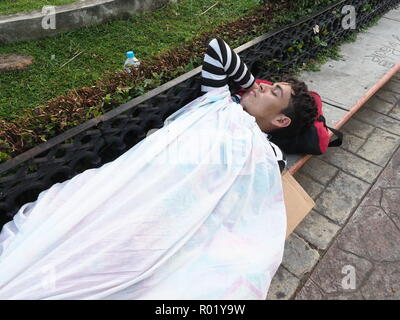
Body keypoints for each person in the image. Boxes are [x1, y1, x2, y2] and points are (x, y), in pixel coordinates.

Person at [0, 38, 316, 300]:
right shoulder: (217, 100)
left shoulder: (265, 152)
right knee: (83, 231)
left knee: (138, 259)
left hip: (181, 214)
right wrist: (249, 86)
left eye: (274, 91)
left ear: (281, 121)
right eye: (266, 84)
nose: (262, 87)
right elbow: (217, 49)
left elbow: (247, 204)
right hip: (140, 184)